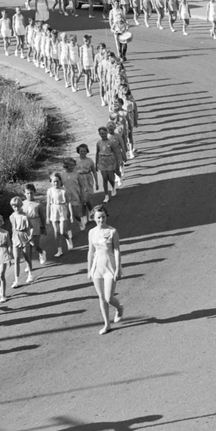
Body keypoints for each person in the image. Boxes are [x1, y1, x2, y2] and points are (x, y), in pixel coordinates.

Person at [86, 205, 123, 335]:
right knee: (101, 297)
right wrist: (89, 269)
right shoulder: (91, 232)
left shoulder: (112, 231)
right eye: (98, 218)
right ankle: (107, 324)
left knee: (108, 298)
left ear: (106, 216)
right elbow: (91, 251)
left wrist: (118, 269)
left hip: (110, 267)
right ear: (93, 218)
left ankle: (119, 308)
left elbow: (117, 250)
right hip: (97, 267)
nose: (101, 220)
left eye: (103, 217)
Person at [46, 172, 73, 257]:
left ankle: (68, 238)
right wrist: (47, 216)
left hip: (62, 210)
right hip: (54, 210)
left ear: (60, 181)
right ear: (51, 182)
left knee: (62, 232)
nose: (55, 183)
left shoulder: (63, 191)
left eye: (57, 181)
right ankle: (59, 250)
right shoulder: (49, 191)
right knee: (56, 232)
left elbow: (68, 203)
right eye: (53, 181)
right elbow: (48, 204)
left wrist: (71, 213)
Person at [8, 197, 34, 287]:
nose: (16, 208)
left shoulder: (25, 217)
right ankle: (16, 280)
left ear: (21, 206)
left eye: (18, 206)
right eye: (14, 206)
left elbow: (31, 227)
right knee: (16, 259)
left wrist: (30, 236)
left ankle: (30, 274)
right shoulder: (11, 216)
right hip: (16, 237)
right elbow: (13, 228)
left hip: (24, 236)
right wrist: (12, 239)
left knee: (26, 257)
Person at [20, 183, 47, 265]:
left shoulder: (38, 204)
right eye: (27, 193)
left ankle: (41, 252)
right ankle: (29, 265)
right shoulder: (22, 204)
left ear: (34, 192)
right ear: (24, 193)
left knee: (34, 245)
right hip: (26, 227)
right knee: (27, 247)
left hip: (35, 225)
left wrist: (43, 226)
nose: (29, 195)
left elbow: (42, 216)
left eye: (31, 193)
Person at [95, 127, 121, 202]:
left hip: (110, 161)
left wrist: (117, 163)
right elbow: (97, 153)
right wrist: (96, 163)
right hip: (102, 161)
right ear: (99, 134)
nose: (103, 135)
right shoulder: (98, 143)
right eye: (101, 133)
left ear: (107, 133)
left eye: (104, 133)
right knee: (104, 178)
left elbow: (115, 153)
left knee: (110, 177)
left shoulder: (111, 142)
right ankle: (106, 195)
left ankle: (113, 186)